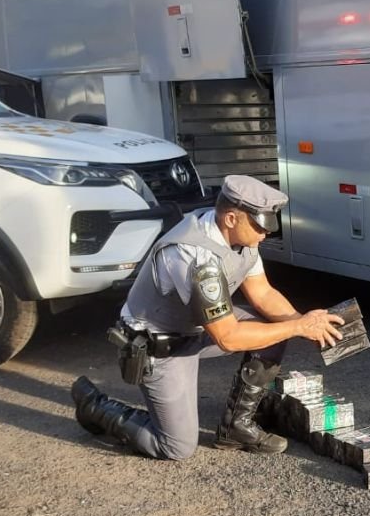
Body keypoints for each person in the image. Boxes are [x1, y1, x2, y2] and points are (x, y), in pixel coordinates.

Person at [70, 175, 344, 459]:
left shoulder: (241, 239)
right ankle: (97, 407)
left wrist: (305, 323)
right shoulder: (193, 256)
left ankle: (236, 428)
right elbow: (228, 337)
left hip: (193, 329)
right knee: (176, 447)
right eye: (261, 226)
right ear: (230, 219)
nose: (267, 234)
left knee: (276, 329)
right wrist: (296, 327)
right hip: (159, 346)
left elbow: (262, 294)